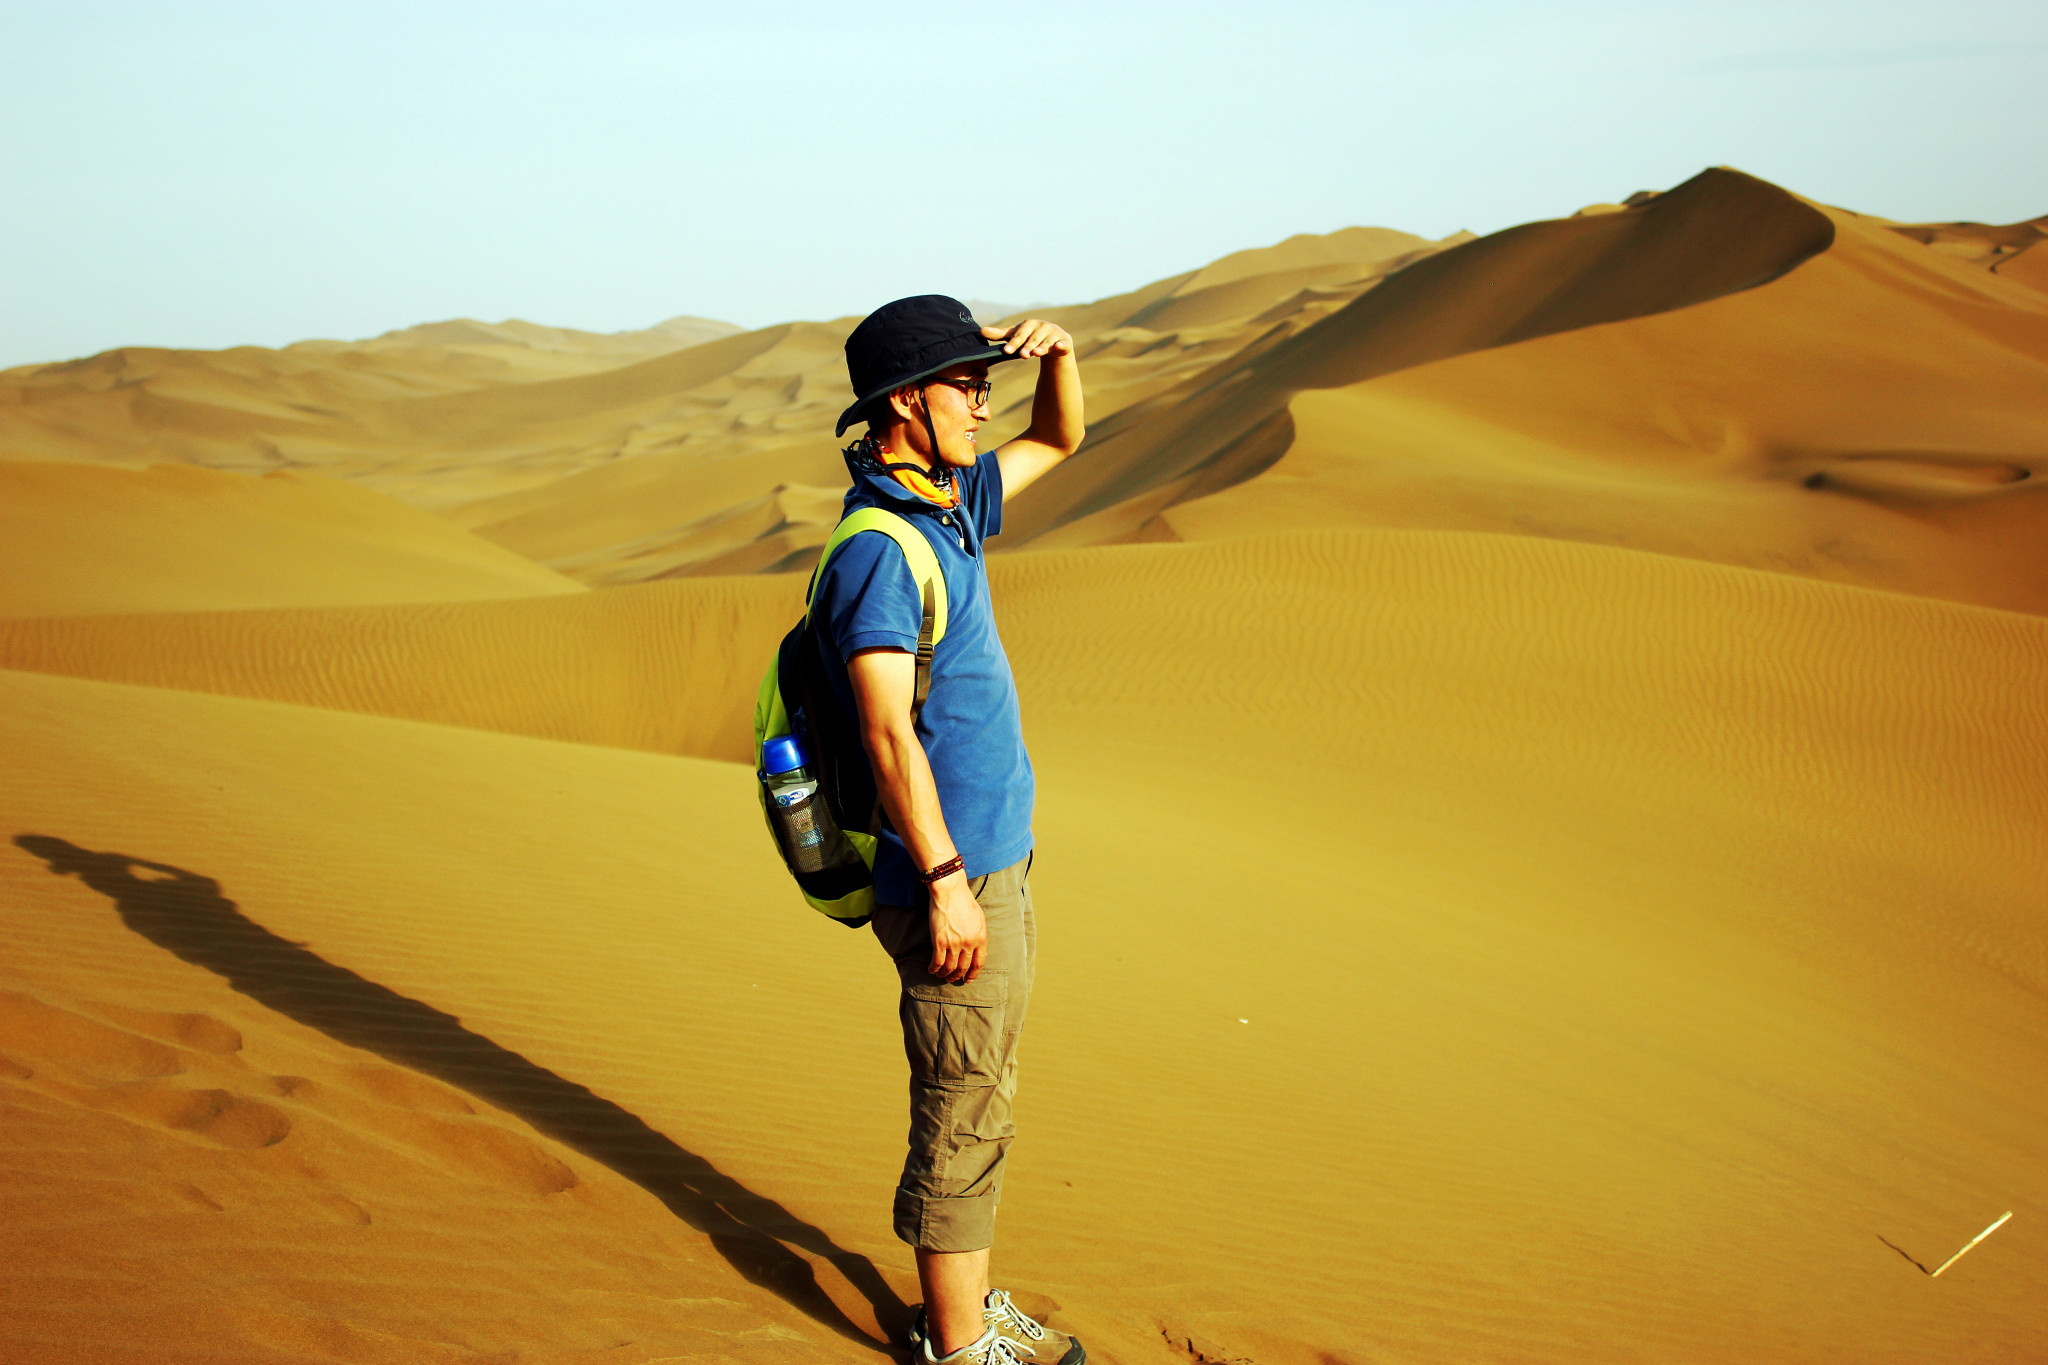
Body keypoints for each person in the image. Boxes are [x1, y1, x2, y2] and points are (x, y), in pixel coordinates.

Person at [809, 296, 1084, 1365]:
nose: (981, 404)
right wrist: (944, 880)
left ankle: (963, 1305)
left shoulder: (946, 503)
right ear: (903, 404)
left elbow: (1058, 438)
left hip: (988, 865)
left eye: (984, 383)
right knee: (961, 1102)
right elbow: (886, 734)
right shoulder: (880, 550)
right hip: (947, 882)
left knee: (984, 1087)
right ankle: (958, 1347)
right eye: (965, 386)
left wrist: (1059, 355)